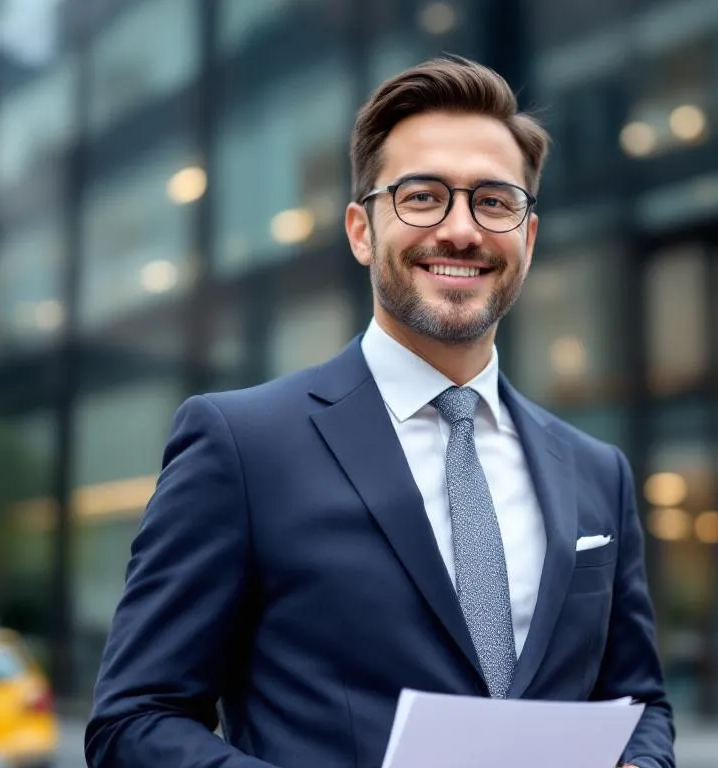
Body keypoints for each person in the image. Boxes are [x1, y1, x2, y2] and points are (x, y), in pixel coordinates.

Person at [84, 55, 674, 768]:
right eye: (423, 196)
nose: (462, 230)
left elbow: (640, 704)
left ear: (528, 238)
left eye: (495, 201)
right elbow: (134, 722)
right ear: (362, 230)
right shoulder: (241, 446)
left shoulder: (596, 472)